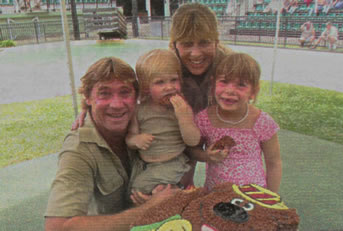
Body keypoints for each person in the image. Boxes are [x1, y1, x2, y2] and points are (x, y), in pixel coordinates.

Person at [72, 3, 233, 187]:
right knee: (183, 173)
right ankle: (184, 190)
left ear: (216, 41)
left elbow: (245, 89)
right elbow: (133, 85)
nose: (195, 53)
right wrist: (88, 106)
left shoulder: (228, 63)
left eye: (204, 42)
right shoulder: (168, 64)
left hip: (209, 115)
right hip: (177, 129)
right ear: (175, 44)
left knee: (223, 165)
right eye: (187, 44)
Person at [44, 57, 179, 231]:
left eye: (125, 92)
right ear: (88, 98)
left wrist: (165, 187)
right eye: (104, 93)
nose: (116, 104)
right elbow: (57, 227)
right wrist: (149, 208)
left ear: (137, 96)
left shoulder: (147, 122)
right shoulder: (79, 148)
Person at [191, 53, 282, 193]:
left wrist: (272, 198)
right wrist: (206, 156)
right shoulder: (204, 119)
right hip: (215, 194)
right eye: (224, 81)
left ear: (254, 91)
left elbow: (274, 163)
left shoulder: (262, 122)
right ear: (213, 83)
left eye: (241, 85)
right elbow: (192, 150)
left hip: (253, 196)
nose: (230, 90)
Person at [126, 49, 200, 194]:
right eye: (160, 82)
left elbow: (193, 141)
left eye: (174, 80)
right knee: (138, 187)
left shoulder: (182, 107)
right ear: (146, 87)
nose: (169, 87)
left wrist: (184, 118)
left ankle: (175, 194)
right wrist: (136, 140)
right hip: (147, 164)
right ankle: (171, 194)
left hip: (173, 162)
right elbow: (130, 137)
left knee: (138, 188)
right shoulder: (139, 110)